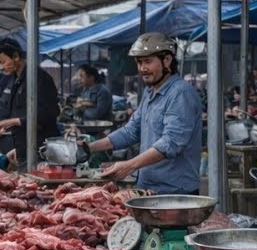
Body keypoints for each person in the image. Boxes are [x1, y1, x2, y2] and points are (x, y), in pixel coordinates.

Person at [85, 33, 203, 195]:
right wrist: (88, 148)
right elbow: (131, 131)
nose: (142, 68)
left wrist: (129, 165)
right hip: (148, 188)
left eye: (148, 61)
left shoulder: (181, 93)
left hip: (175, 193)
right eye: (139, 62)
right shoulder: (150, 92)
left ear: (167, 60)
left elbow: (171, 142)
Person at [0, 38, 60, 168]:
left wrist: (14, 122)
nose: (0, 67)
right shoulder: (11, 79)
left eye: (3, 62)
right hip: (20, 149)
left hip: (40, 151)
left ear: (15, 56)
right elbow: (10, 109)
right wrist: (1, 124)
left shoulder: (38, 78)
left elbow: (48, 113)